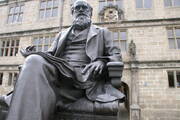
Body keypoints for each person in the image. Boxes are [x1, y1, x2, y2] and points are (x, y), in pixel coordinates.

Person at [5, 0, 124, 120]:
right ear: (72, 13)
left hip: (82, 77)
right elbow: (50, 55)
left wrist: (102, 62)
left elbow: (116, 55)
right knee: (33, 60)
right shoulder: (61, 34)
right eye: (77, 8)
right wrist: (33, 54)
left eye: (84, 8)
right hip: (58, 72)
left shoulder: (103, 32)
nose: (81, 10)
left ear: (90, 13)